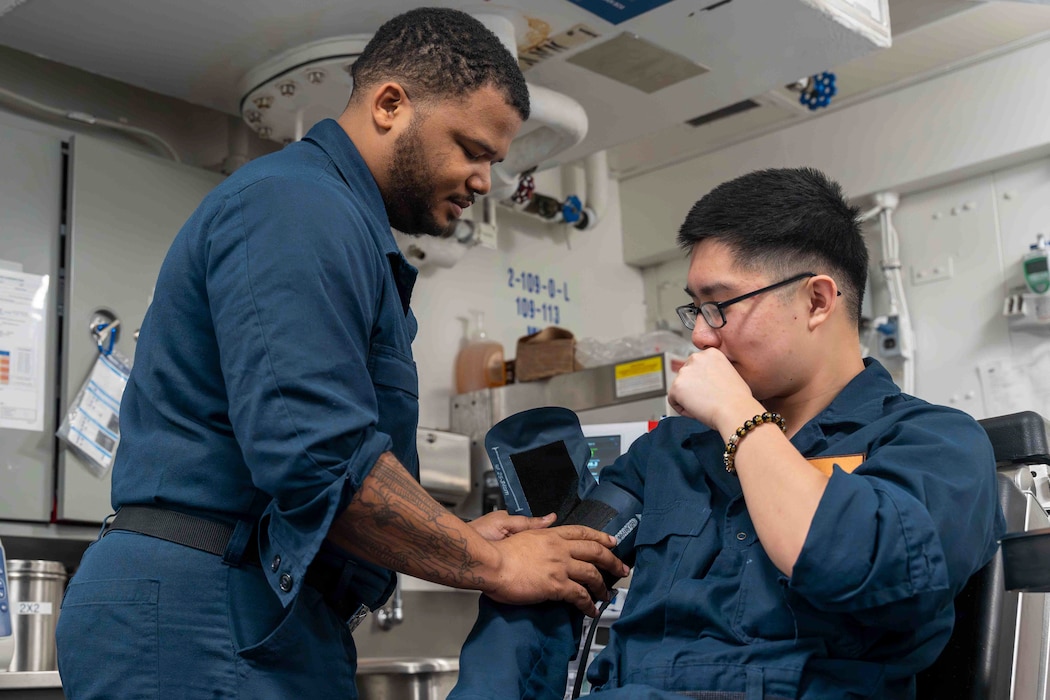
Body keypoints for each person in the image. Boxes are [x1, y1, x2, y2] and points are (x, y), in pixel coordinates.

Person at [55, 7, 626, 699]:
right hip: (205, 608)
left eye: (495, 164)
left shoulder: (339, 224)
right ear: (390, 104)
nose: (484, 183)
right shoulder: (295, 206)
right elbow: (316, 456)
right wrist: (490, 563)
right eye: (472, 149)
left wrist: (453, 535)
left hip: (255, 609)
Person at [450, 167, 1006, 699]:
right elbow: (555, 570)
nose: (699, 336)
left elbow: (853, 562)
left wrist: (739, 416)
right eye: (694, 309)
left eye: (718, 307)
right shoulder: (669, 455)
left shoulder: (937, 444)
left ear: (816, 301)